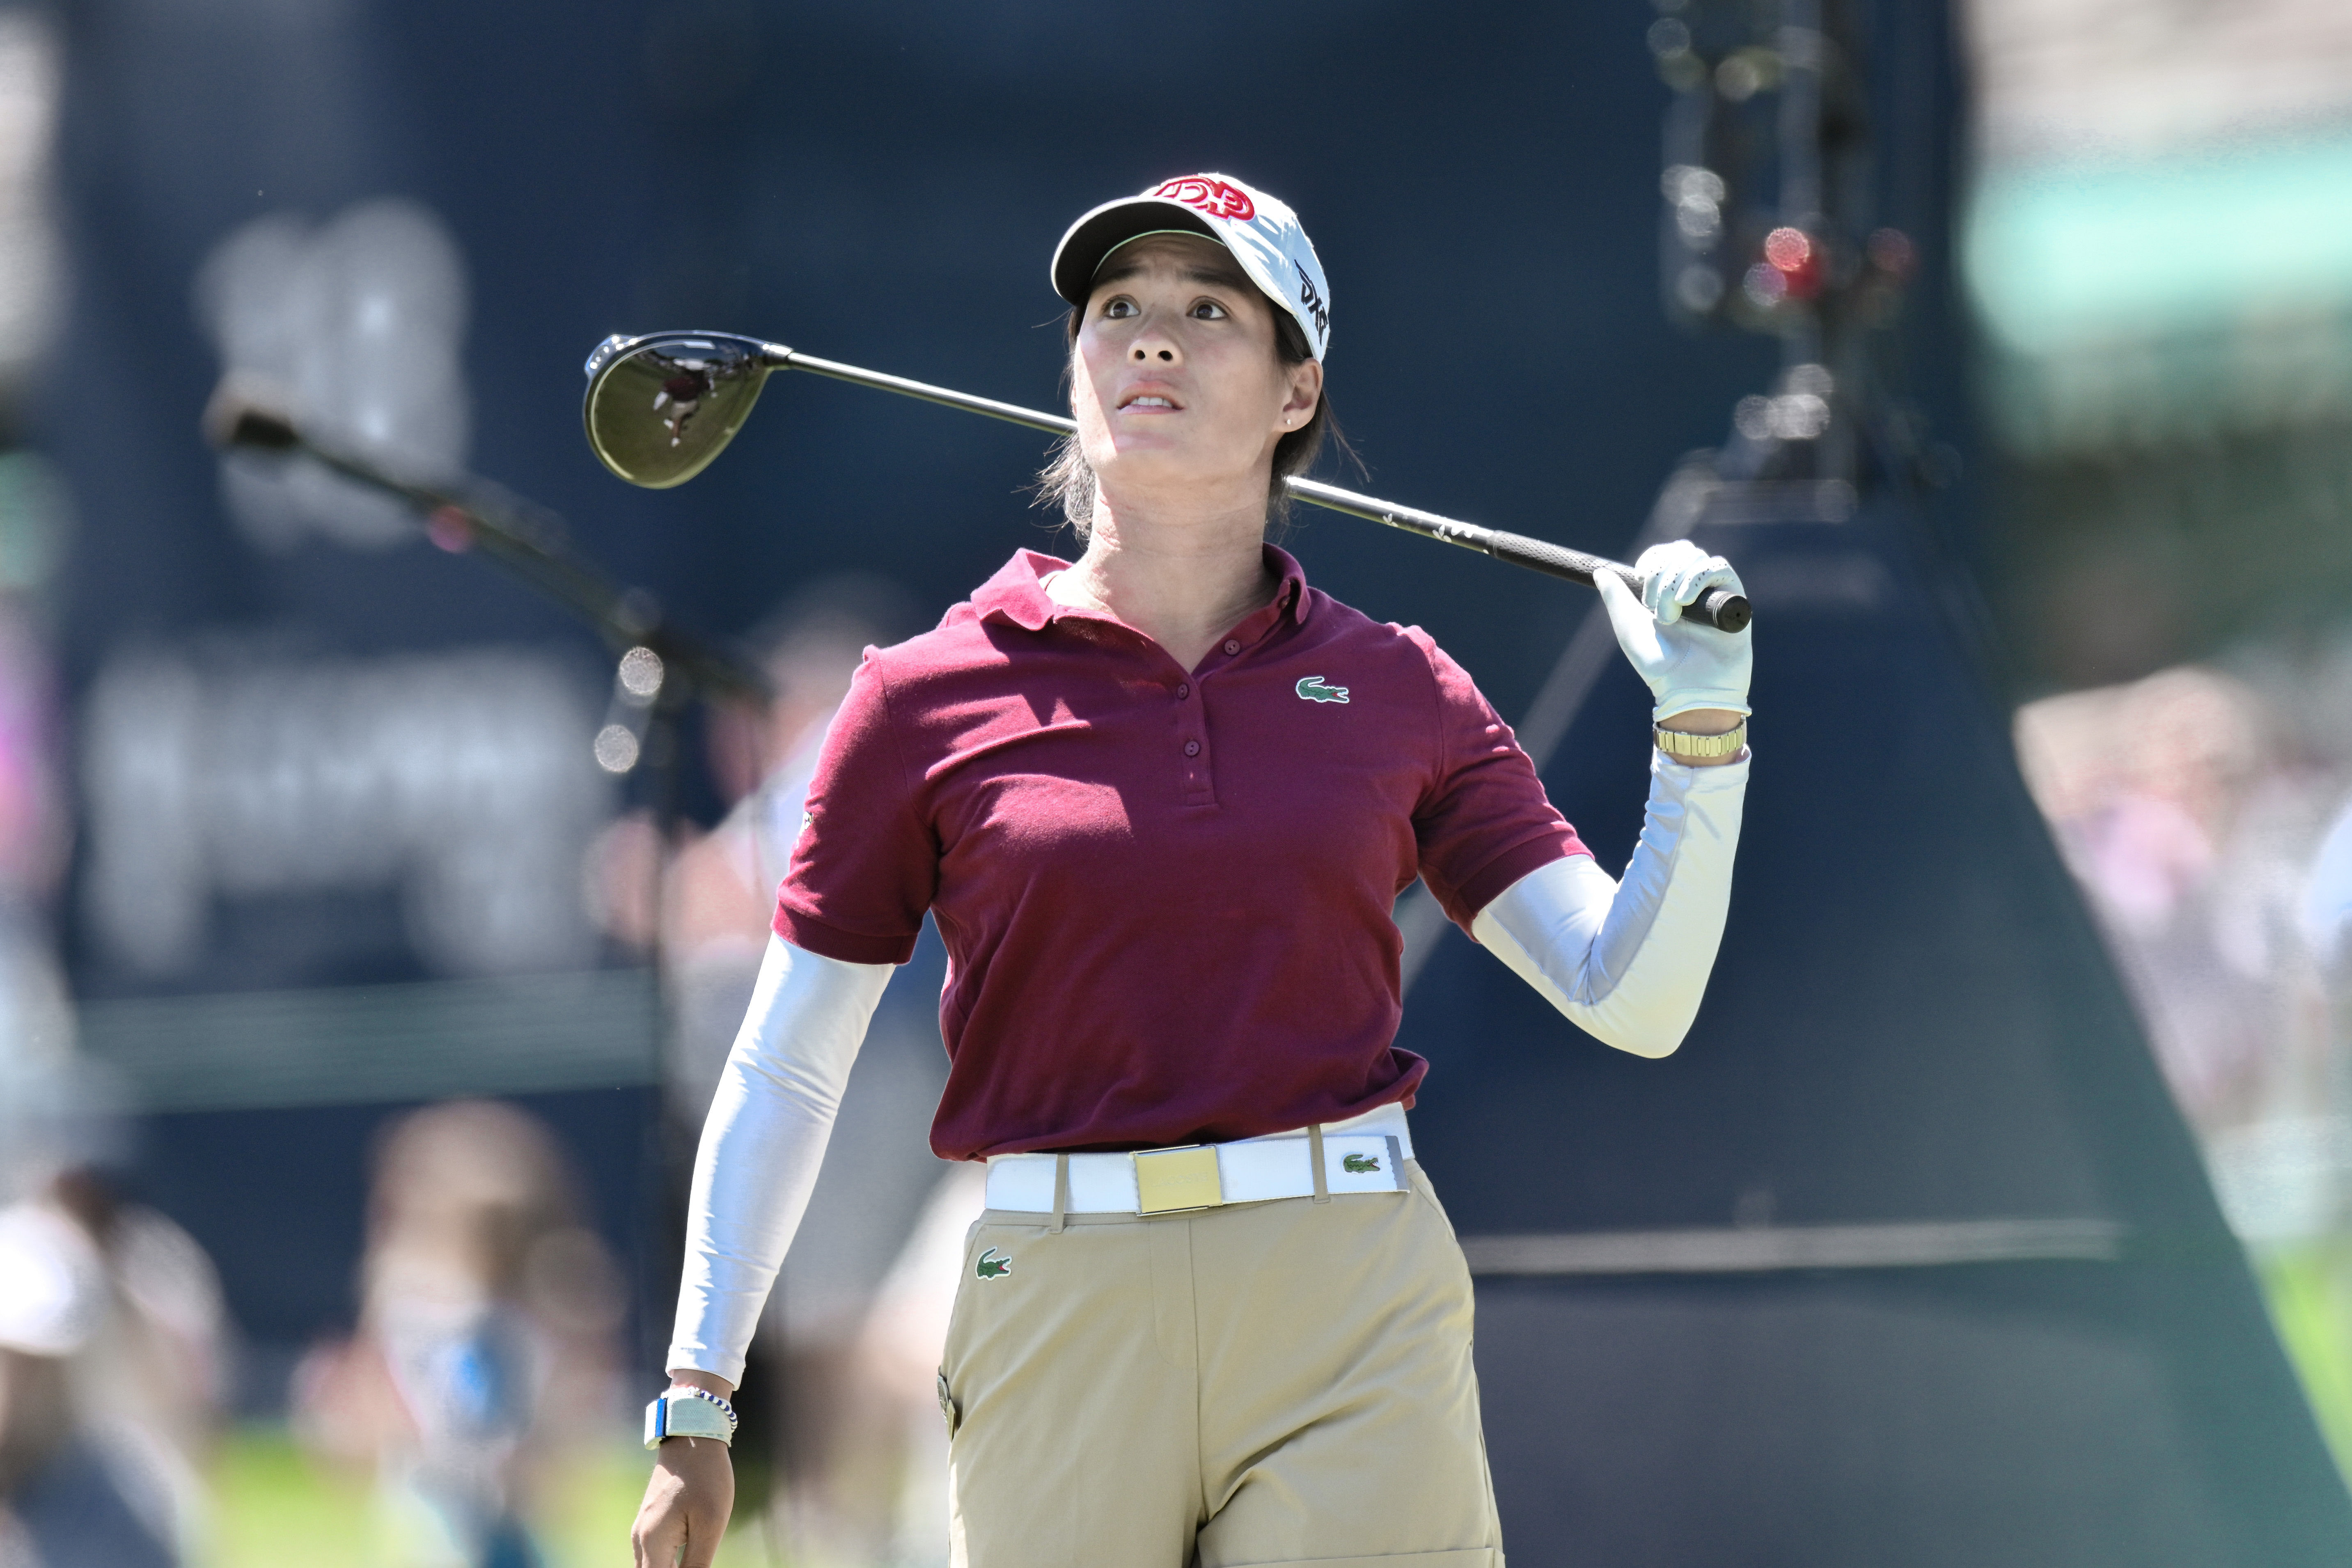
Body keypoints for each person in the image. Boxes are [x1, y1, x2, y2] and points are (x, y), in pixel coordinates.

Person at [630, 171, 1751, 1568]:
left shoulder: (1401, 687)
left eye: (1209, 309)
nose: (1150, 337)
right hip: (1058, 1291)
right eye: (1118, 308)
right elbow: (789, 1065)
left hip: (1348, 1294)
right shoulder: (920, 698)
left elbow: (1627, 994)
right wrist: (697, 1397)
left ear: (1296, 391)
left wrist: (1703, 734)